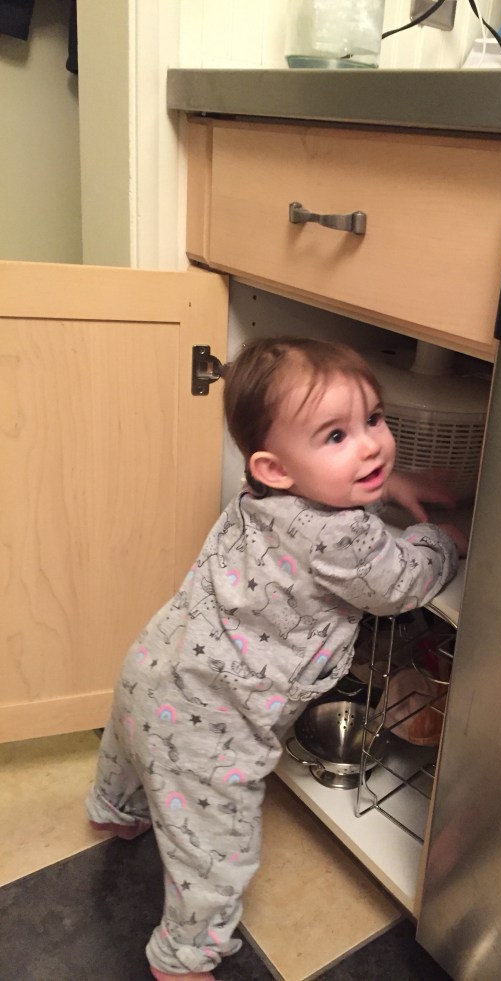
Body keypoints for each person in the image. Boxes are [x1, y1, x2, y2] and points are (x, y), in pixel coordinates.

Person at [86, 336, 468, 980]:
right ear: (275, 467)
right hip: (217, 724)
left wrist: (391, 483)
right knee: (214, 852)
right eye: (337, 435)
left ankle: (115, 812)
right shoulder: (344, 536)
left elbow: (326, 489)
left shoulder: (264, 493)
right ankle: (182, 958)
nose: (371, 445)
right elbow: (401, 584)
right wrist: (440, 541)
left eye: (374, 419)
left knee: (131, 742)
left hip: (158, 662)